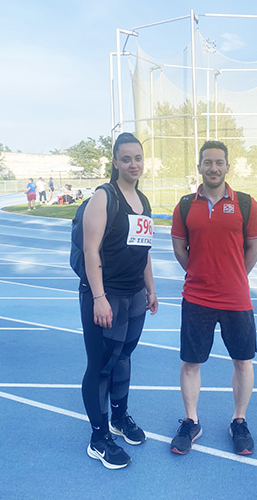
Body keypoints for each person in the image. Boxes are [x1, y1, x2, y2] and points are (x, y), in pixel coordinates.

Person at [170, 140, 257, 456]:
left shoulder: (246, 204)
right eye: (207, 162)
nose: (213, 168)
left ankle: (239, 421)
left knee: (243, 361)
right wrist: (200, 273)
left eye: (219, 162)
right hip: (197, 297)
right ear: (199, 167)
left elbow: (254, 247)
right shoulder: (185, 206)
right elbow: (180, 249)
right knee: (191, 363)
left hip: (236, 298)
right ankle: (191, 421)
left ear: (227, 166)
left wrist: (234, 275)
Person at [79, 132, 158, 469]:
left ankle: (119, 418)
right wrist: (99, 298)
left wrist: (150, 289)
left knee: (123, 357)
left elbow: (144, 250)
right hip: (106, 295)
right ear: (115, 162)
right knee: (101, 366)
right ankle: (98, 439)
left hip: (134, 296)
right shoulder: (104, 197)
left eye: (137, 158)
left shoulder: (143, 201)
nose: (133, 164)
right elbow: (90, 250)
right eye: (126, 159)